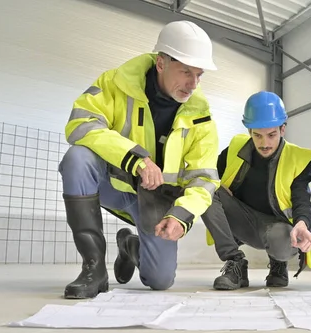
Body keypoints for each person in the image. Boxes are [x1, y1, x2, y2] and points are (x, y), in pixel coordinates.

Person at [58, 20, 220, 299]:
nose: (193, 84)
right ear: (161, 63)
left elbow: (204, 179)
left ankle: (130, 247)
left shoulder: (201, 117)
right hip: (115, 186)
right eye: (185, 72)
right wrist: (135, 158)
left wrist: (181, 216)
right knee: (77, 158)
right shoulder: (115, 84)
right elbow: (80, 123)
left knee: (160, 281)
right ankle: (93, 269)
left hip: (156, 200)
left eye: (199, 74)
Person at [201, 91, 311, 290]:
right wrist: (218, 187)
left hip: (278, 229)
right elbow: (207, 173)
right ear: (249, 132)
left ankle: (278, 264)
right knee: (206, 190)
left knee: (280, 241)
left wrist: (303, 222)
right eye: (257, 135)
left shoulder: (298, 158)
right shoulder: (236, 148)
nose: (264, 143)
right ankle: (235, 262)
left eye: (271, 135)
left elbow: (301, 198)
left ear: (283, 129)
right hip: (242, 220)